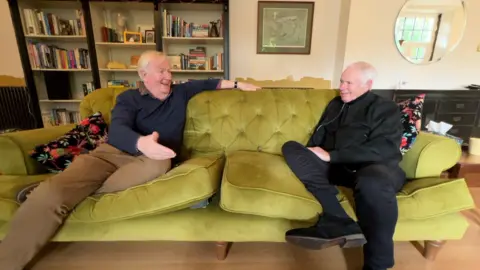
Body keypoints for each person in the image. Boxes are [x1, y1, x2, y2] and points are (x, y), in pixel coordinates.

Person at [0, 50, 260, 270]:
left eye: (170, 71)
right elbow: (119, 129)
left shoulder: (181, 92)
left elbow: (210, 83)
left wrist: (239, 85)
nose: (168, 77)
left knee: (161, 162)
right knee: (52, 197)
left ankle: (62, 190)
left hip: (152, 161)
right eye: (161, 71)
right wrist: (141, 142)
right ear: (143, 75)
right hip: (110, 155)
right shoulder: (128, 98)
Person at [282, 62, 405, 270]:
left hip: (374, 168)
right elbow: (317, 139)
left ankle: (377, 264)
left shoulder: (384, 108)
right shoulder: (335, 105)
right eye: (341, 81)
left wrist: (332, 155)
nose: (342, 87)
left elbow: (384, 149)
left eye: (349, 83)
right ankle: (338, 218)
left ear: (368, 84)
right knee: (291, 148)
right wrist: (311, 154)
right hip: (337, 169)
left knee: (372, 183)